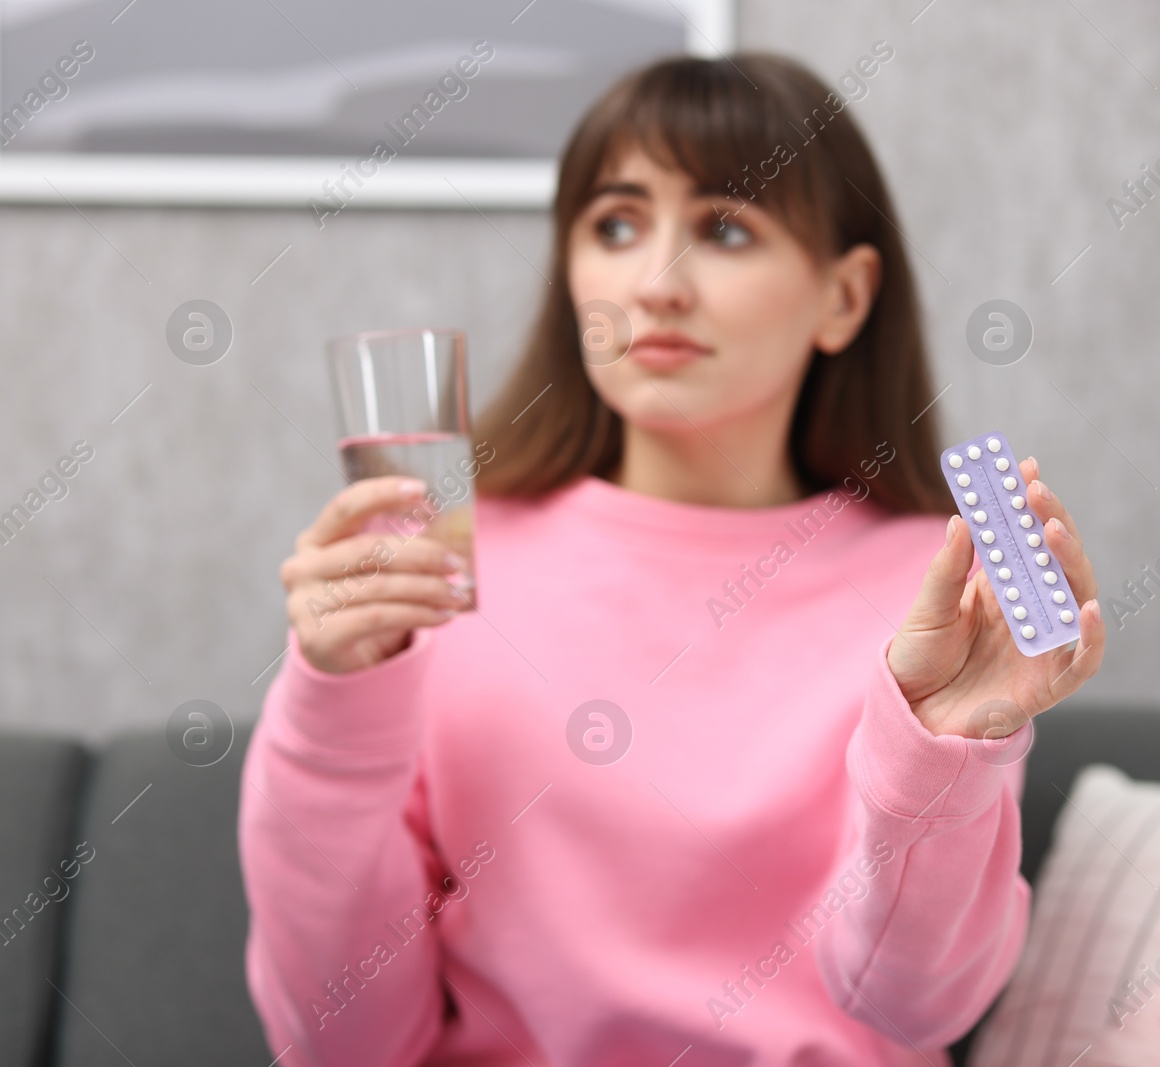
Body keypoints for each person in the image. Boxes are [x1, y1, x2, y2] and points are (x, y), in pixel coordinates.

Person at [240, 51, 1104, 1066]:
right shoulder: (439, 562)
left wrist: (945, 750)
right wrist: (331, 707)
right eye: (614, 225)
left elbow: (918, 1010)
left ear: (845, 296)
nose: (654, 285)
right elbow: (343, 1047)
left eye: (726, 228)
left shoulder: (942, 598)